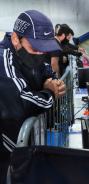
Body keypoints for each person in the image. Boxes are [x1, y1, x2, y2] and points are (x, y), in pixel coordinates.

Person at [0, 10, 66, 183]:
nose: (39, 55)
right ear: (15, 39)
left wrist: (55, 83)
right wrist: (51, 93)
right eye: (35, 48)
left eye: (43, 50)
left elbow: (49, 72)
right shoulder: (3, 59)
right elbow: (21, 104)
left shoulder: (29, 56)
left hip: (20, 146)